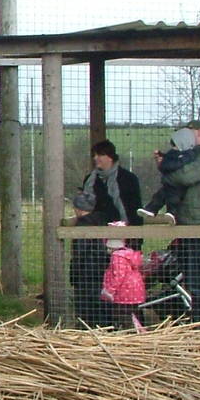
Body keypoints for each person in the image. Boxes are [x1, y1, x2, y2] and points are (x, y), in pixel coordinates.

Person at [157, 118, 200, 323]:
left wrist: (165, 173)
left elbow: (185, 177)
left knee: (199, 278)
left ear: (199, 132)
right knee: (193, 278)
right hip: (192, 224)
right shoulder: (197, 155)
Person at [69, 140, 142, 327]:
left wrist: (134, 237)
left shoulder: (128, 179)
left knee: (121, 280)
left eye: (100, 155)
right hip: (96, 237)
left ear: (110, 157)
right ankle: (100, 322)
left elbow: (134, 209)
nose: (96, 159)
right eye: (94, 155)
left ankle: (126, 321)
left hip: (122, 235)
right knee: (100, 279)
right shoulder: (90, 179)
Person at [136, 127, 200, 223]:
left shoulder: (188, 155)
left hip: (178, 185)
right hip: (170, 183)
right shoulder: (176, 154)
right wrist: (162, 157)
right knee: (160, 196)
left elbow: (174, 164)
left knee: (173, 198)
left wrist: (164, 163)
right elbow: (170, 161)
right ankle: (151, 208)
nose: (173, 149)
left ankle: (171, 213)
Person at [100, 227, 147, 330]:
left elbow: (118, 276)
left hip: (124, 292)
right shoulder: (129, 254)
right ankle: (140, 330)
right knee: (134, 313)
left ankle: (127, 331)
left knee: (123, 315)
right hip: (135, 292)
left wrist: (110, 290)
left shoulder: (117, 257)